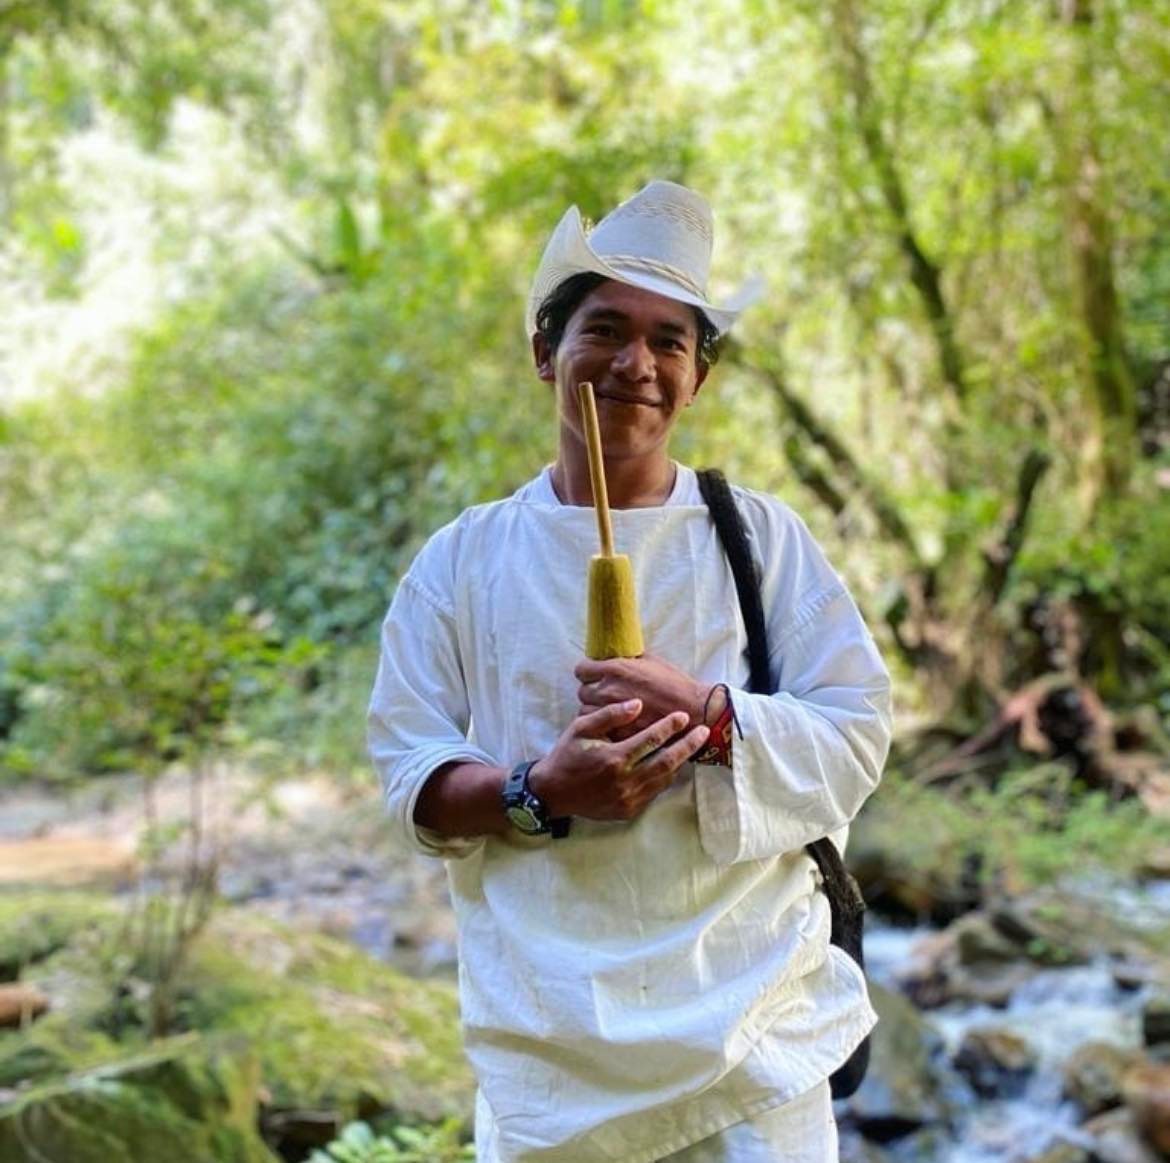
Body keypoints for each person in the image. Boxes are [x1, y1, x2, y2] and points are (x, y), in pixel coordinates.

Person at [367, 180, 892, 1163]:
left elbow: (857, 734)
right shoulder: (463, 559)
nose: (635, 364)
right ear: (545, 351)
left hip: (754, 1052)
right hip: (549, 1064)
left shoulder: (762, 540)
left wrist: (712, 714)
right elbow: (410, 770)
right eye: (604, 330)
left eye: (669, 341)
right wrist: (538, 789)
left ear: (697, 377)